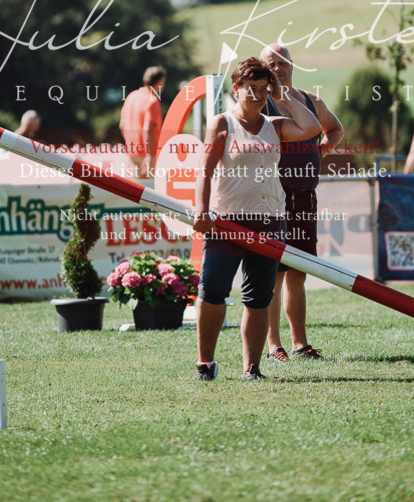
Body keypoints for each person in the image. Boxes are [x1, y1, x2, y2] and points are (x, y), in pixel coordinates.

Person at [193, 56, 324, 382]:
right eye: (250, 88)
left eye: (263, 89)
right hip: (227, 222)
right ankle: (205, 363)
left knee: (258, 298)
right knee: (213, 291)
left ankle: (251, 368)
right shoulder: (222, 123)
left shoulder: (274, 125)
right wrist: (202, 211)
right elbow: (205, 171)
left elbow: (312, 128)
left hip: (269, 221)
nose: (257, 95)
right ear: (236, 88)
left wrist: (283, 94)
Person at [260, 43, 344, 364]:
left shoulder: (310, 100)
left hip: (305, 197)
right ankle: (274, 346)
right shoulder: (259, 102)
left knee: (299, 272)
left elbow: (335, 129)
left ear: (293, 65)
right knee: (273, 273)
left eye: (282, 62)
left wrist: (320, 151)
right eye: (271, 64)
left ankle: (300, 344)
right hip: (273, 199)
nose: (278, 68)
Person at [119, 66, 166, 177]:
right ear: (159, 82)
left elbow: (122, 125)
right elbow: (148, 128)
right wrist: (149, 156)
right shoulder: (152, 100)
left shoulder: (131, 96)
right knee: (152, 186)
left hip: (132, 151)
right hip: (147, 154)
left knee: (137, 185)